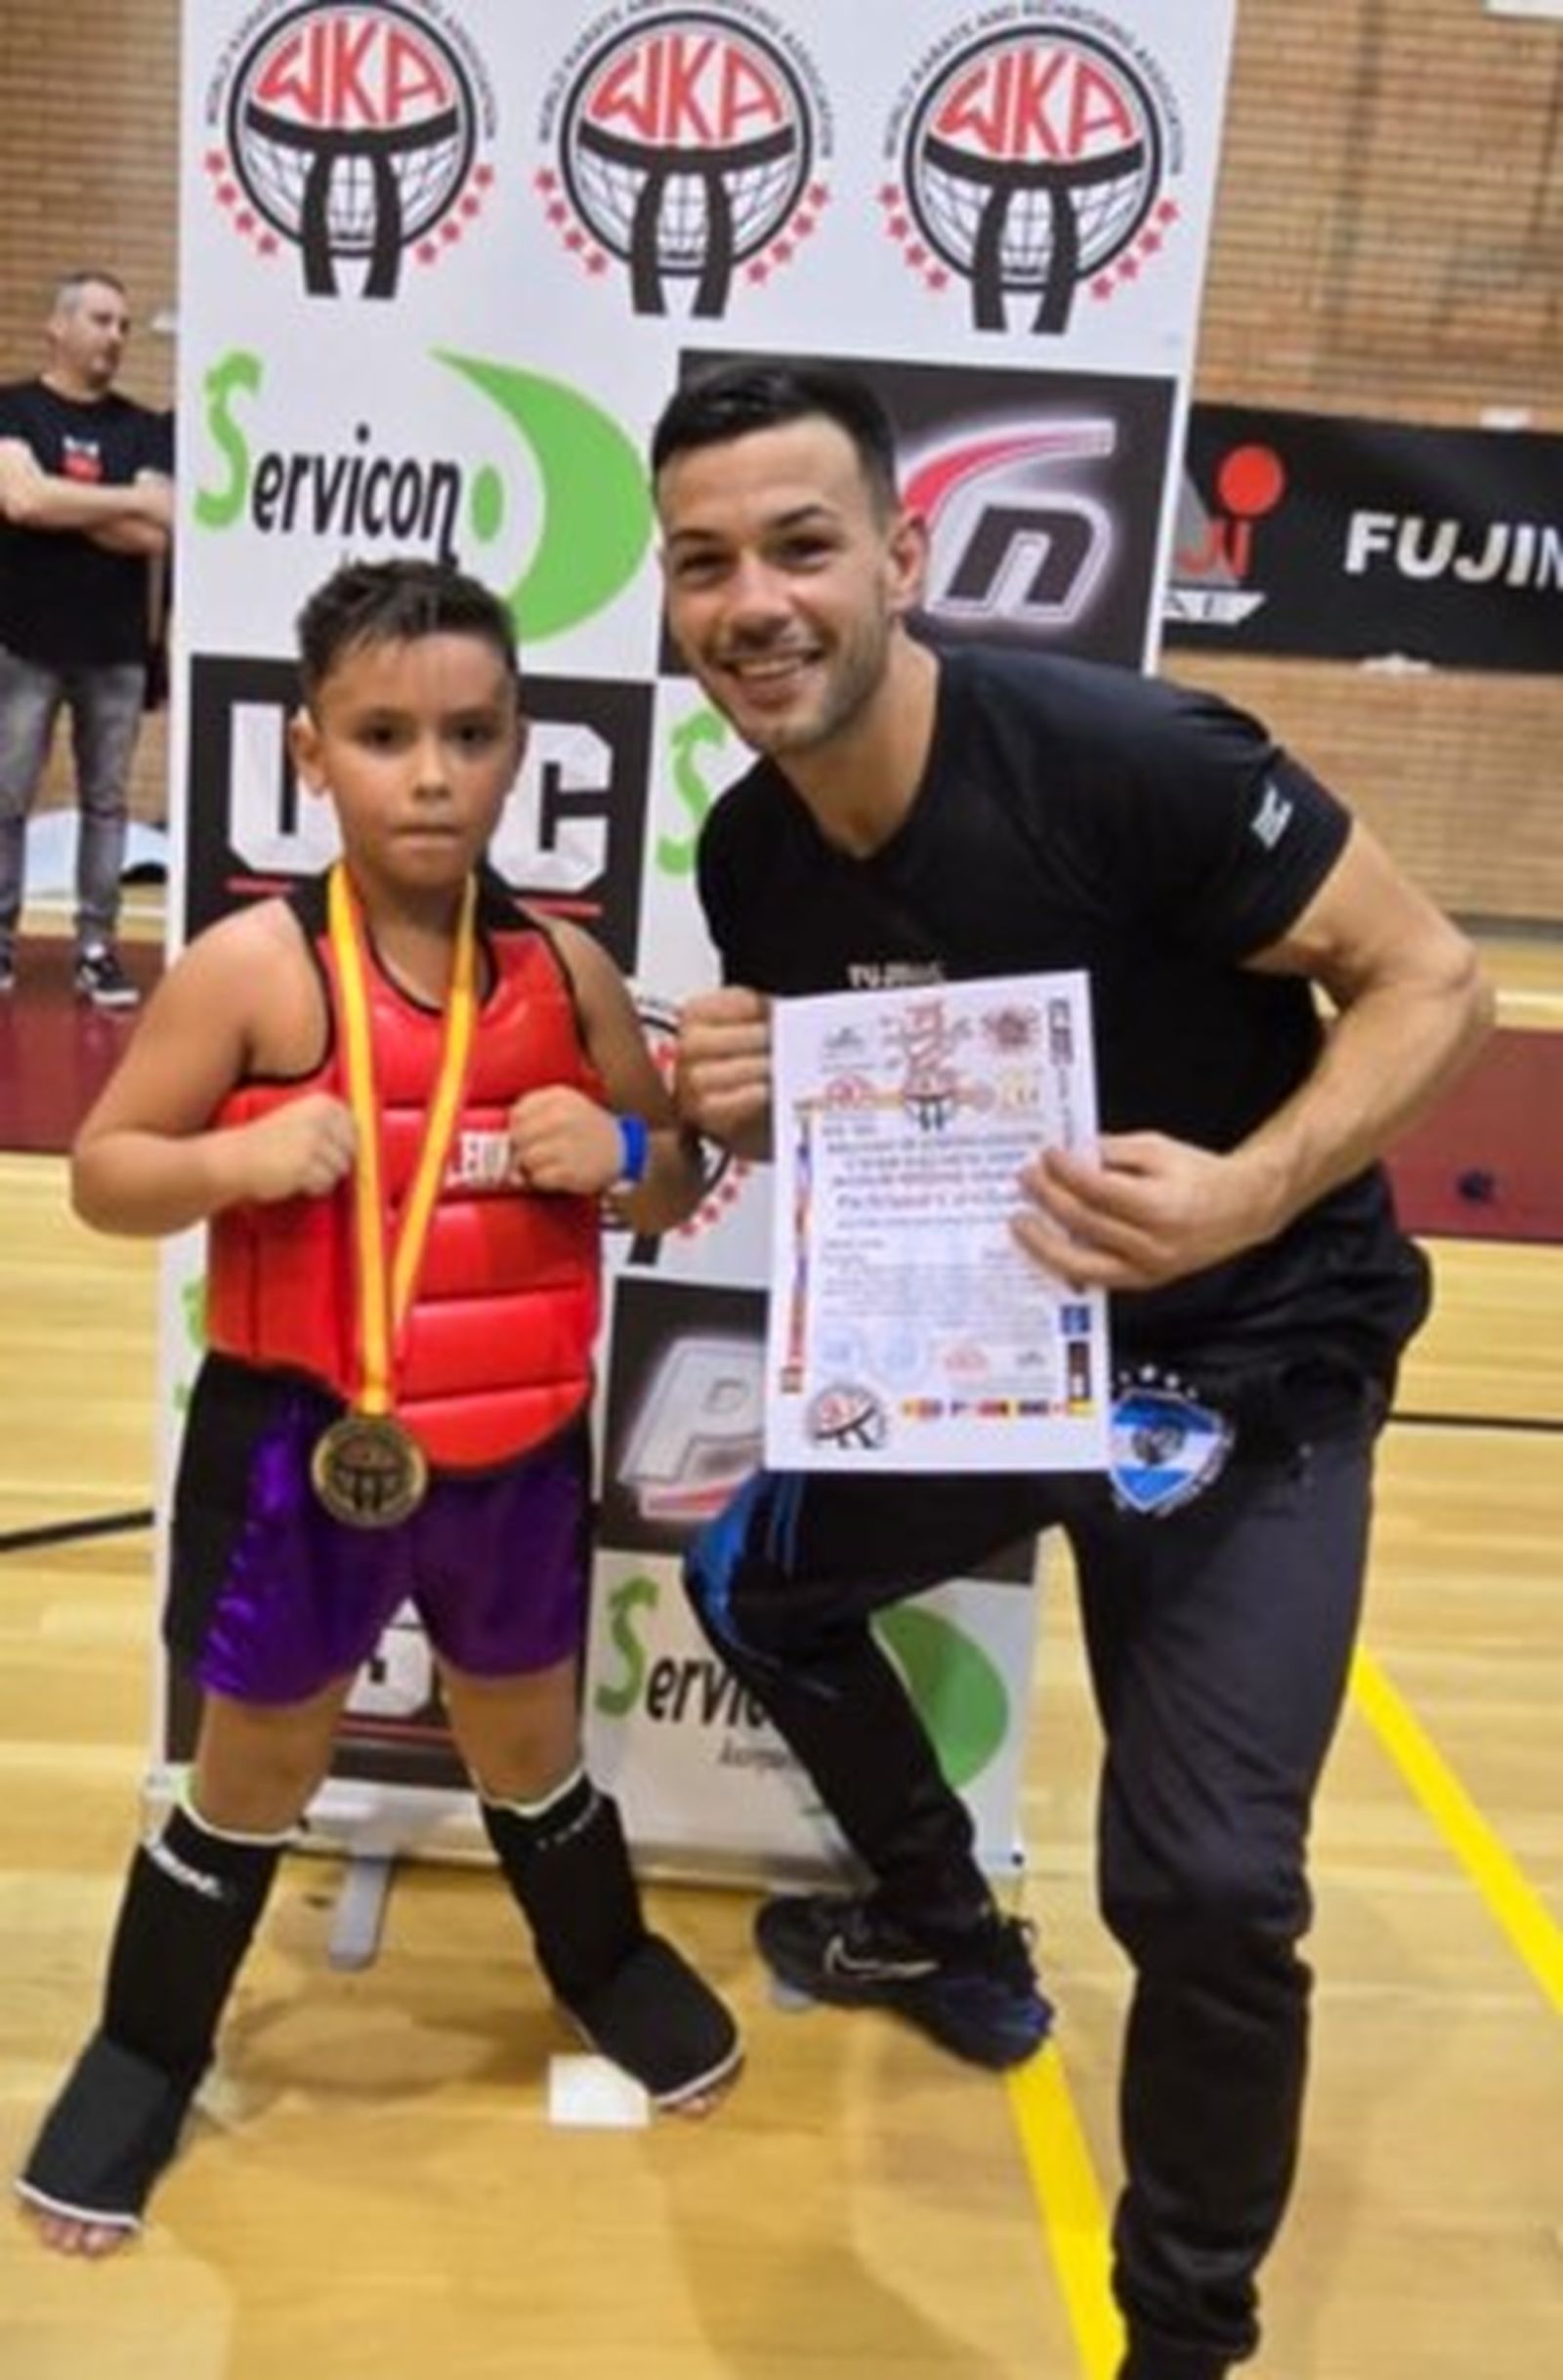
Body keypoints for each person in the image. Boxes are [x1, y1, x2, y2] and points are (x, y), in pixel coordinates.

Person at [651, 360, 1493, 2380]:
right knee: (750, 1587)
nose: (753, 601)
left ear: (902, 555)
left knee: (1207, 1885)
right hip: (981, 1363)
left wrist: (1242, 1192)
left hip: (1237, 1369)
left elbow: (1433, 980)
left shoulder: (1128, 760)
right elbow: (897, 1124)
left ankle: (1183, 2336)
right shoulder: (752, 853)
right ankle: (943, 1924)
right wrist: (754, 1103)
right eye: (703, 562)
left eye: (799, 545)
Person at [15, 557, 739, 2259]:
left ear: (519, 746)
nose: (431, 775)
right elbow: (104, 1175)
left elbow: (680, 1174)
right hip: (305, 1449)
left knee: (527, 1741)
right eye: (385, 734)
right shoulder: (252, 971)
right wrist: (235, 1159)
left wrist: (629, 1147)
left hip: (517, 1453)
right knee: (257, 1759)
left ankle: (604, 1960)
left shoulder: (565, 971)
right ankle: (145, 2047)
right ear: (308, 749)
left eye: (471, 735)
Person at [0, 269, 174, 1008]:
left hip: (115, 650)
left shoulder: (146, 427)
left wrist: (59, 503)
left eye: (124, 324)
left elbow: (156, 528)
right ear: (58, 326)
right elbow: (19, 498)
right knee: (6, 797)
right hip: (22, 642)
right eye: (102, 320)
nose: (116, 336)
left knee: (107, 805)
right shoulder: (12, 409)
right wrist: (120, 500)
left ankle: (97, 949)